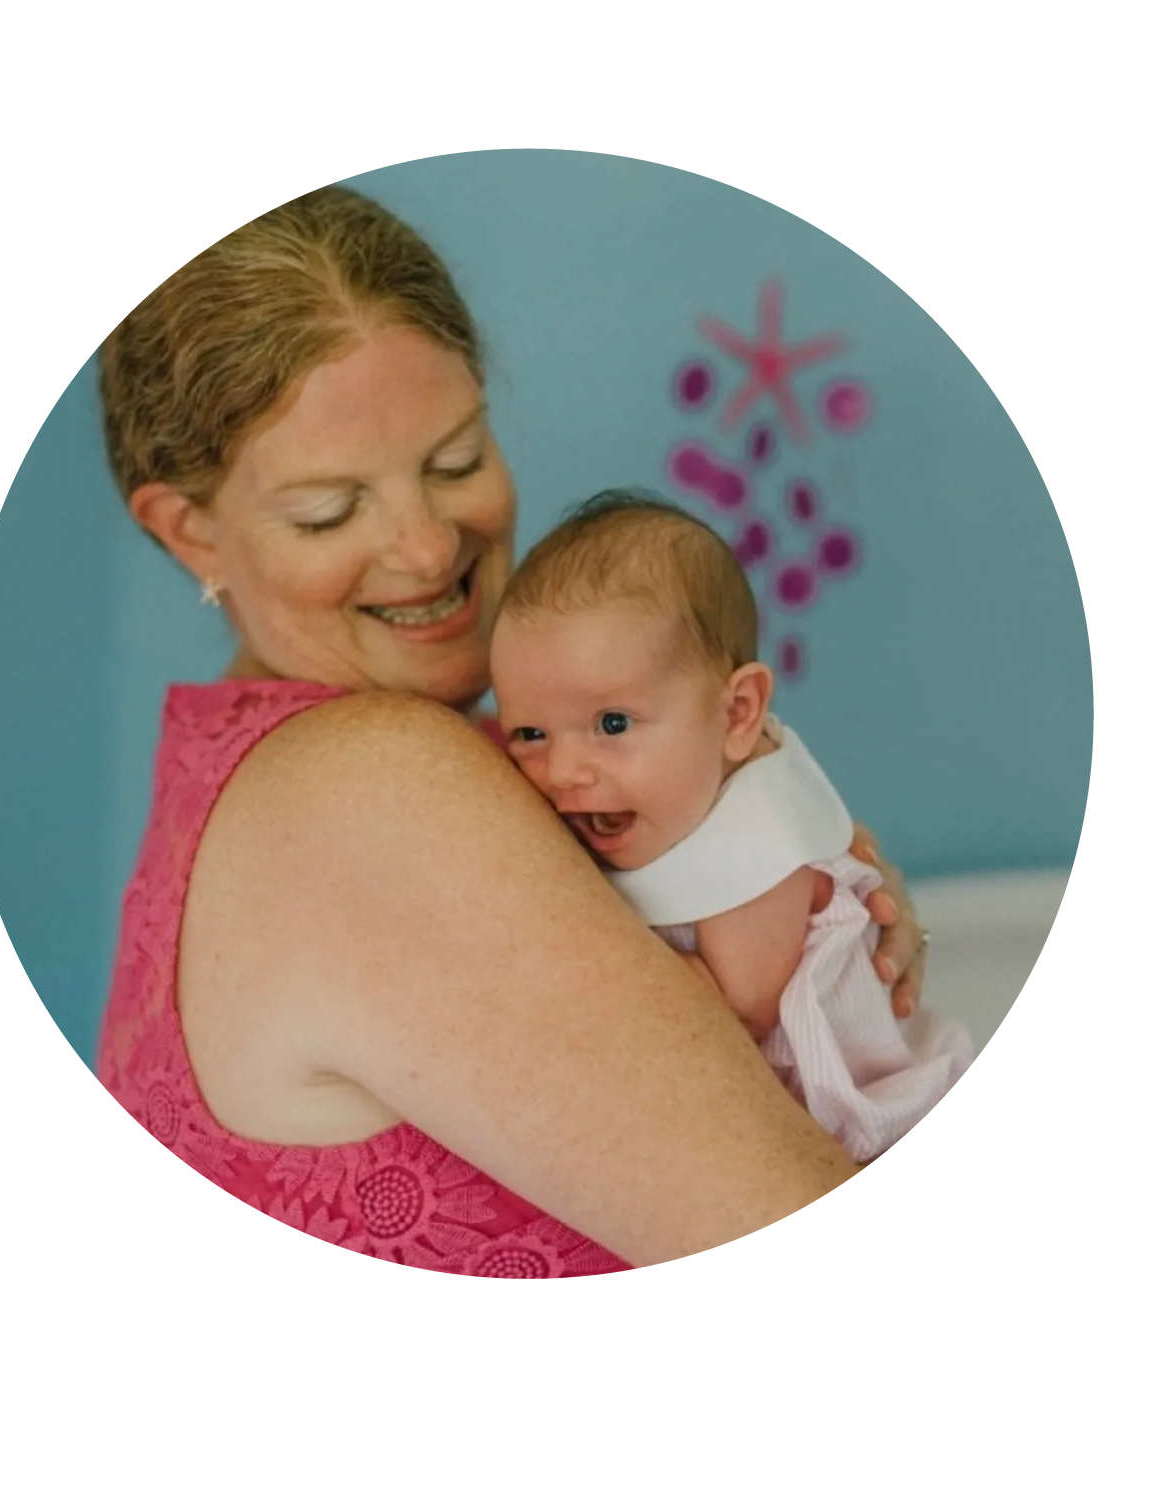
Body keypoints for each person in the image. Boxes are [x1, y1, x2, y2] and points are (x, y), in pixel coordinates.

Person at [94, 184, 934, 1279]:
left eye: (454, 460)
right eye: (329, 511)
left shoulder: (269, 770)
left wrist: (809, 925)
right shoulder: (367, 789)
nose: (426, 545)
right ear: (190, 530)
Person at [488, 490, 972, 1164]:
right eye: (530, 733)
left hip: (843, 1125)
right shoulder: (640, 795)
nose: (565, 769)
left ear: (739, 713)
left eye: (613, 724)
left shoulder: (756, 848)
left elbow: (739, 1009)